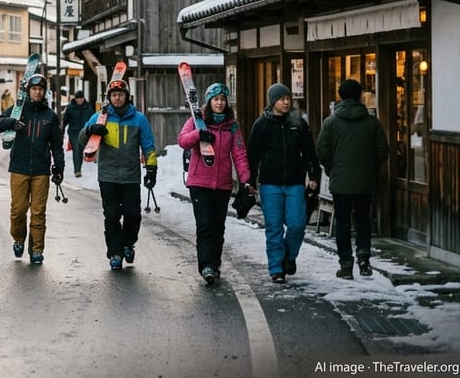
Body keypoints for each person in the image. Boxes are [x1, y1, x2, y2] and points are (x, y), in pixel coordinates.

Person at [77, 79, 158, 271]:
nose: (117, 98)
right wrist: (90, 129)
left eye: (121, 94)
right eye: (114, 95)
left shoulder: (139, 119)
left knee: (133, 216)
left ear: (127, 97)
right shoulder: (100, 117)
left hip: (131, 176)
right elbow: (81, 140)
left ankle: (128, 243)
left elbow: (148, 145)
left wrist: (152, 168)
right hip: (108, 176)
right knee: (111, 216)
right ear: (109, 98)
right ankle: (115, 253)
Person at [176, 83, 251, 285]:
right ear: (209, 101)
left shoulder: (231, 126)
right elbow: (182, 140)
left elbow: (239, 153)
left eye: (222, 99)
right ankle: (206, 265)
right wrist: (199, 135)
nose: (219, 103)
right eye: (216, 99)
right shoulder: (197, 120)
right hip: (200, 182)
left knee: (218, 226)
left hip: (223, 185)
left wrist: (246, 180)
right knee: (205, 224)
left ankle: (215, 264)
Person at [247, 83, 320, 284]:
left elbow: (309, 153)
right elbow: (253, 156)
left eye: (288, 98)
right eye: (282, 99)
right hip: (270, 184)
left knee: (297, 224)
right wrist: (250, 181)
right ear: (273, 102)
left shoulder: (298, 124)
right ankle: (277, 268)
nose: (286, 102)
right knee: (274, 228)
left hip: (295, 183)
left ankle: (289, 256)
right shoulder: (261, 125)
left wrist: (313, 176)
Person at [318, 79, 389, 279]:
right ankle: (364, 258)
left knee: (342, 222)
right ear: (359, 96)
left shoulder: (331, 122)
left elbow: (322, 151)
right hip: (365, 181)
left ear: (340, 96)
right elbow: (383, 150)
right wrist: (371, 169)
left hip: (340, 182)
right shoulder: (371, 122)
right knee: (363, 220)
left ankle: (346, 264)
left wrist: (333, 169)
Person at [0, 74, 65, 265]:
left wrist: (59, 168)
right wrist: (12, 123)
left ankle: (36, 250)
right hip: (19, 167)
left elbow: (57, 146)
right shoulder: (18, 111)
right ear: (28, 91)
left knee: (38, 212)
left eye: (41, 89)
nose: (37, 92)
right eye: (34, 89)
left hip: (41, 171)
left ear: (44, 92)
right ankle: (18, 238)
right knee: (18, 210)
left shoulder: (50, 116)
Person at [61, 90, 94, 178]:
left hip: (84, 133)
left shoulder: (88, 107)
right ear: (75, 99)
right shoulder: (70, 107)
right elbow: (65, 120)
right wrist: (62, 130)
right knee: (76, 150)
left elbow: (92, 120)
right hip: (73, 133)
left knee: (81, 151)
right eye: (78, 98)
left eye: (81, 98)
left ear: (83, 98)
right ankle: (77, 170)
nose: (79, 100)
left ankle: (79, 167)